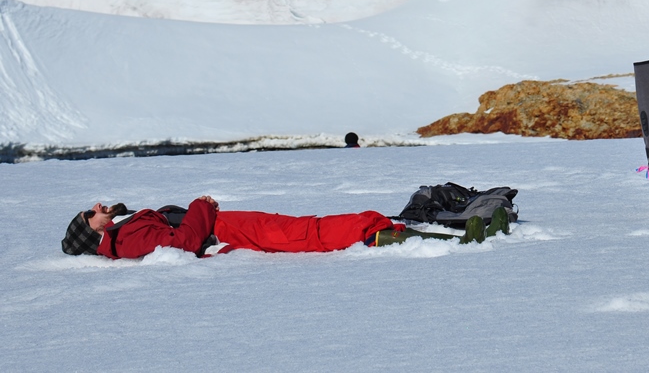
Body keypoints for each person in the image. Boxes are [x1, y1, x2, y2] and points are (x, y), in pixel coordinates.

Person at [61, 196, 509, 260]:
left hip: (234, 225)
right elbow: (186, 241)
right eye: (91, 214)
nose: (98, 207)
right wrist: (200, 204)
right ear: (93, 234)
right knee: (315, 233)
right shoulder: (126, 240)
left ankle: (446, 232)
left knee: (314, 227)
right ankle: (456, 236)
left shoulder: (121, 230)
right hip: (233, 231)